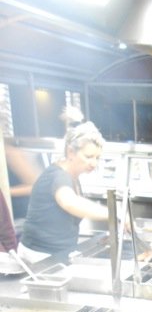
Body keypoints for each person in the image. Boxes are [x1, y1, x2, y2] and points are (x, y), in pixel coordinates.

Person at [18, 112, 108, 263]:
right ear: (70, 152)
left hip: (57, 253)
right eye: (88, 156)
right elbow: (69, 203)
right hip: (40, 257)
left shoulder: (72, 177)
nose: (94, 163)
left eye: (97, 158)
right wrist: (113, 213)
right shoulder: (58, 176)